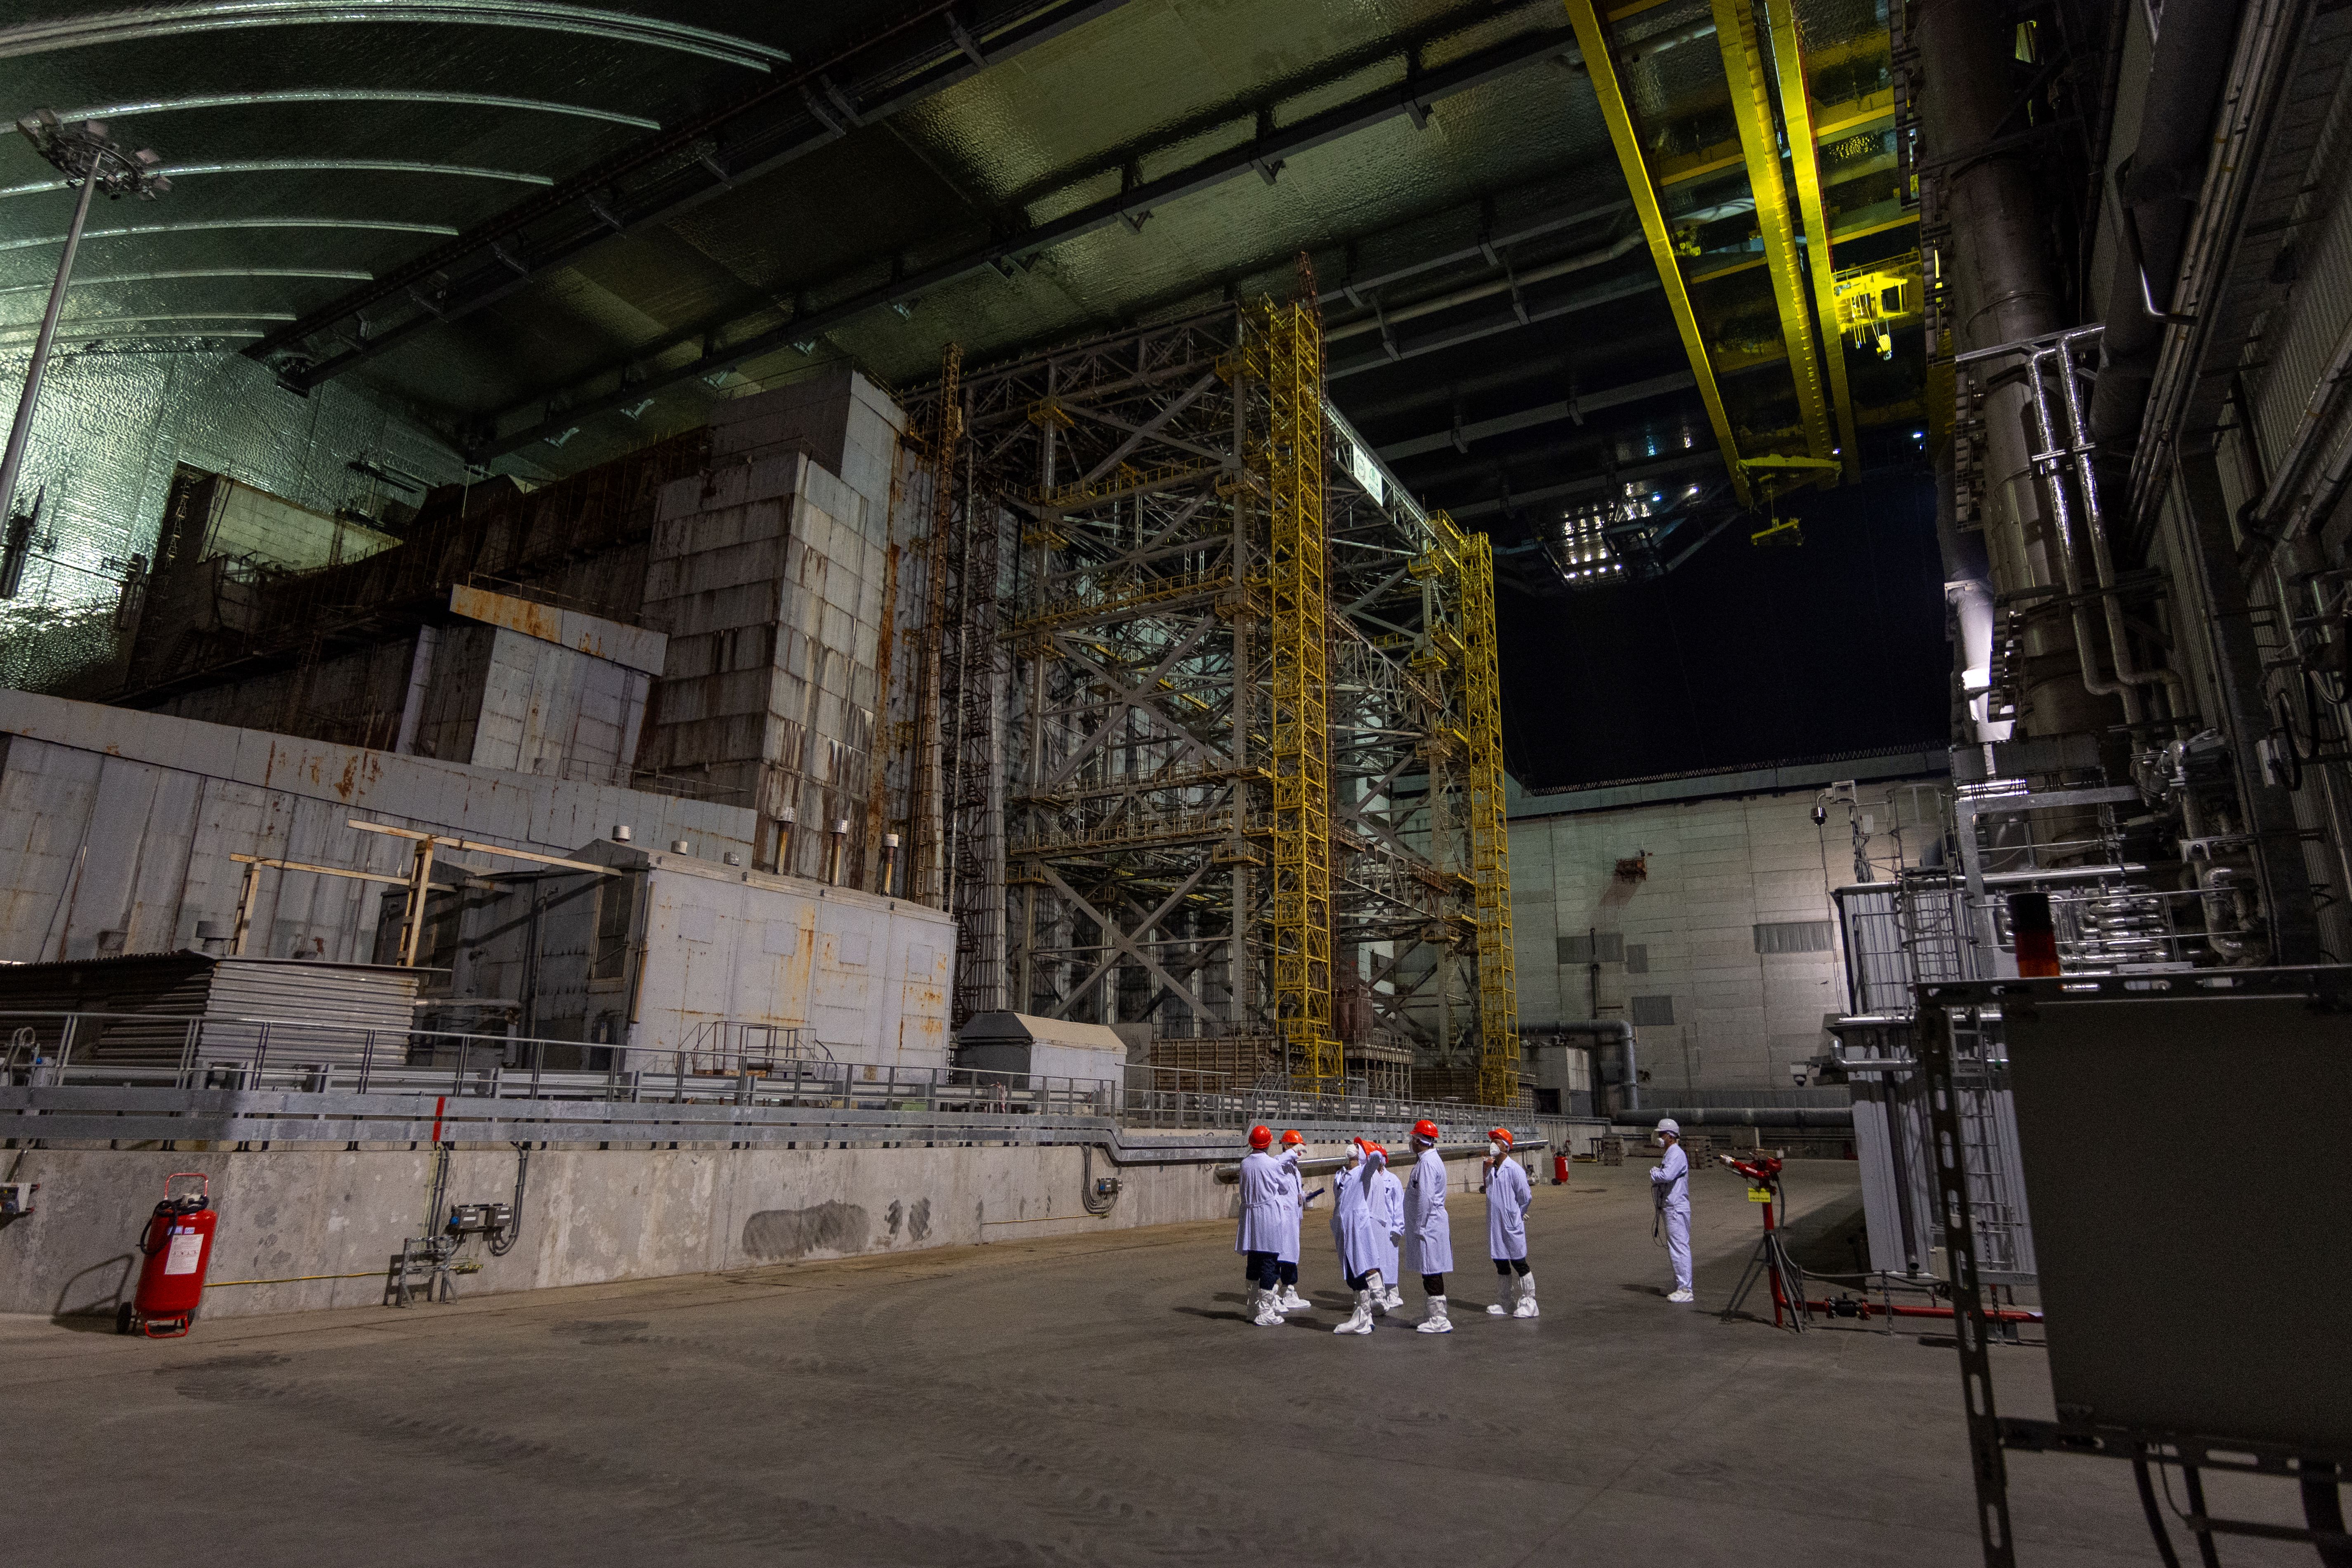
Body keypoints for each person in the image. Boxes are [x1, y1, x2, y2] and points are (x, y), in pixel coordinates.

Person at [1234, 1124, 1299, 1326]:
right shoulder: (1272, 1165)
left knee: (1253, 1261)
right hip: (1268, 1216)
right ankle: (1266, 1311)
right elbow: (1284, 1186)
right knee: (1269, 1262)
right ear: (1269, 1143)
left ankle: (1252, 1308)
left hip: (1250, 1217)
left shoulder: (1245, 1164)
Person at [1329, 1138, 1390, 1335]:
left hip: (1357, 1226)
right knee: (1349, 1270)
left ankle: (1362, 1317)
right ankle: (1365, 1316)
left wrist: (1365, 1152)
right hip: (1343, 1225)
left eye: (1356, 1148)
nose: (1352, 1149)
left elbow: (1376, 1158)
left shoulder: (1364, 1172)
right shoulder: (1341, 1174)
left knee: (1357, 1270)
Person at [1401, 1118, 1455, 1333]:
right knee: (1430, 1270)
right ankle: (1433, 1314)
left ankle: (1439, 1319)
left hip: (1429, 1225)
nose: (1412, 1142)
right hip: (1431, 1223)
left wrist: (1421, 1226)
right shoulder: (1429, 1160)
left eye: (1413, 1138)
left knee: (1432, 1271)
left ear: (1419, 1140)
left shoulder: (1427, 1163)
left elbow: (1426, 1198)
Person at [1483, 1126, 1537, 1318]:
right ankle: (1506, 1301)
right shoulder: (1492, 1170)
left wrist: (1517, 1215)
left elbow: (1526, 1197)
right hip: (1496, 1225)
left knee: (1519, 1262)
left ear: (1506, 1147)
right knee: (1501, 1262)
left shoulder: (1514, 1170)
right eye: (1492, 1141)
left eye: (1497, 1142)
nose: (1493, 1145)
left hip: (1510, 1224)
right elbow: (1490, 1193)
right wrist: (1486, 1169)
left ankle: (1530, 1303)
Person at [1650, 1116, 1693, 1303]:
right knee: (1677, 1247)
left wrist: (1654, 1173)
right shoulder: (1671, 1153)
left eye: (1662, 1134)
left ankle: (1685, 1289)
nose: (1659, 1137)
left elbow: (1666, 1175)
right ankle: (1681, 1284)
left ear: (1671, 1136)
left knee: (1679, 1248)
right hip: (1672, 1207)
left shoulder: (1676, 1153)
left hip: (1675, 1208)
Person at [1272, 1129, 1309, 1311]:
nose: (1299, 1151)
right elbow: (1277, 1164)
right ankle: (1273, 1291)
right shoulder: (1278, 1164)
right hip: (1283, 1218)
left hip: (1294, 1218)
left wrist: (1304, 1196)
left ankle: (1289, 1290)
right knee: (1281, 1254)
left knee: (1292, 1254)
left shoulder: (1294, 1168)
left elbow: (1294, 1191)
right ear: (1286, 1146)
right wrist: (1291, 1153)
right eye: (1296, 1146)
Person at [1371, 1144, 1406, 1313]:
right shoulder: (1368, 1179)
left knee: (1391, 1262)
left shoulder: (1393, 1180)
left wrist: (1399, 1227)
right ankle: (1378, 1294)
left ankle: (1393, 1293)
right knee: (1376, 1261)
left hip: (1390, 1228)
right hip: (1375, 1228)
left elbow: (1399, 1205)